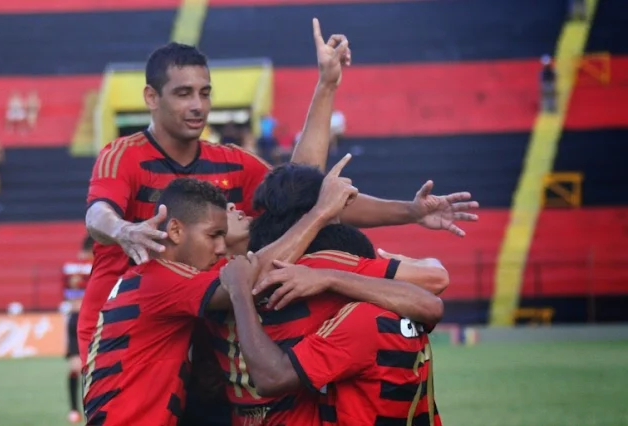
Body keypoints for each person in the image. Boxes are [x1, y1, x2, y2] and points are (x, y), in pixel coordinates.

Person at [79, 20, 357, 368]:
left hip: (205, 337)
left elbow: (299, 189)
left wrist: (326, 84)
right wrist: (123, 230)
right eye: (184, 93)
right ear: (151, 97)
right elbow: (97, 214)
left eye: (205, 93)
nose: (198, 105)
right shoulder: (123, 156)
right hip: (125, 339)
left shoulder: (232, 162)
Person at [82, 168, 357, 425]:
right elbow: (250, 280)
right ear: (175, 231)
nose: (220, 247)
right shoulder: (161, 278)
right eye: (213, 235)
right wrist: (320, 212)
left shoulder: (154, 278)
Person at [201, 162, 448, 426]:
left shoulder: (224, 279)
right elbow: (436, 284)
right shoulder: (323, 264)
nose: (233, 207)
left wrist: (327, 278)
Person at [62, 236, 94, 424]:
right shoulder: (87, 266)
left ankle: (83, 408)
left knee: (84, 368)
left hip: (81, 318)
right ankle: (75, 409)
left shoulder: (70, 266)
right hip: (79, 318)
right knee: (77, 367)